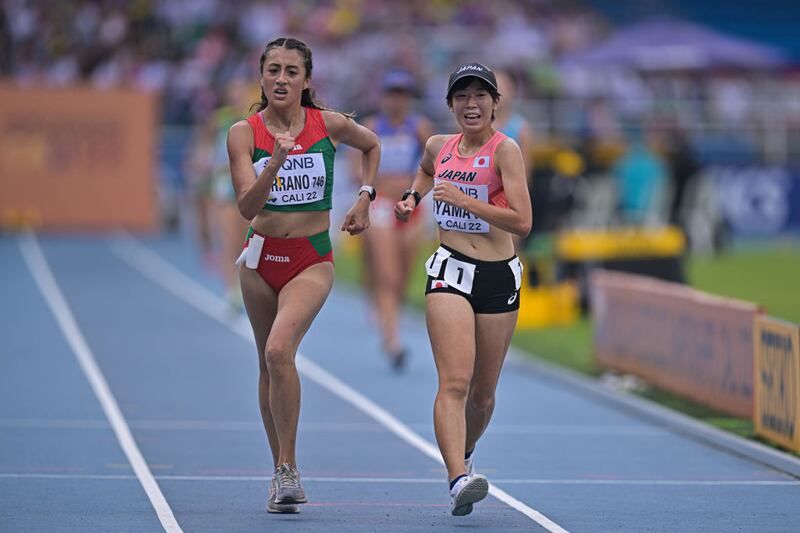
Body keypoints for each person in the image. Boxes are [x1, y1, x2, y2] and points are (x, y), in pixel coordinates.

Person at [227, 36, 380, 514]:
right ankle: (279, 474)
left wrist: (365, 195)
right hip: (259, 259)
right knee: (265, 364)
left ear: (307, 80)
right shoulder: (243, 133)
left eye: (292, 71)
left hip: (310, 259)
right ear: (261, 76)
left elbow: (372, 144)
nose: (281, 79)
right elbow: (247, 206)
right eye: (273, 69)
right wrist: (274, 162)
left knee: (279, 350)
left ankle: (289, 468)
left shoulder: (328, 124)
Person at [394, 63, 531, 516]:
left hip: (497, 276)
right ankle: (457, 479)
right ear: (451, 104)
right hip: (450, 270)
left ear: (495, 105)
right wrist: (414, 197)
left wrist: (467, 201)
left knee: (483, 393)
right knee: (453, 381)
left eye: (480, 97)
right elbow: (425, 169)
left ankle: (466, 452)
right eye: (461, 97)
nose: (471, 105)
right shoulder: (438, 145)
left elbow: (524, 222)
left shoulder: (505, 150)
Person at [361, 69, 433, 370]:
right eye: (392, 94)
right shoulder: (371, 128)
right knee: (388, 276)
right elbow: (359, 171)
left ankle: (389, 315)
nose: (397, 100)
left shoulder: (420, 128)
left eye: (403, 94)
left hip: (410, 206)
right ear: (383, 97)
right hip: (380, 206)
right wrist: (385, 185)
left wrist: (405, 186)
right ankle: (393, 342)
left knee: (402, 276)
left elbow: (432, 167)